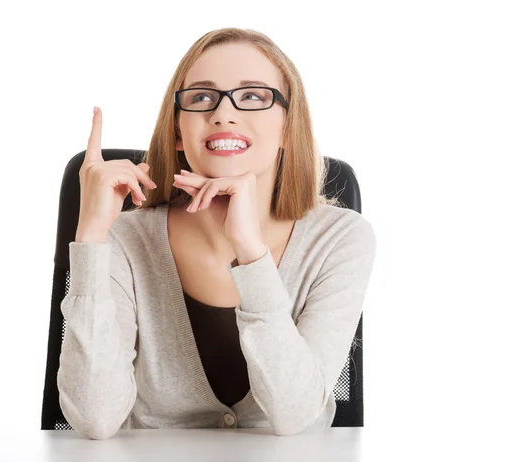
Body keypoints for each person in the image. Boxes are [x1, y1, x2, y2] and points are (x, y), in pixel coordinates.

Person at [57, 27, 377, 440]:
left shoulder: (341, 239)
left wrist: (250, 252)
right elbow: (94, 419)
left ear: (286, 126)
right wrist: (91, 237)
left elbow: (298, 417)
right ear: (177, 131)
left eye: (253, 96)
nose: (224, 113)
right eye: (202, 97)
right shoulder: (124, 238)